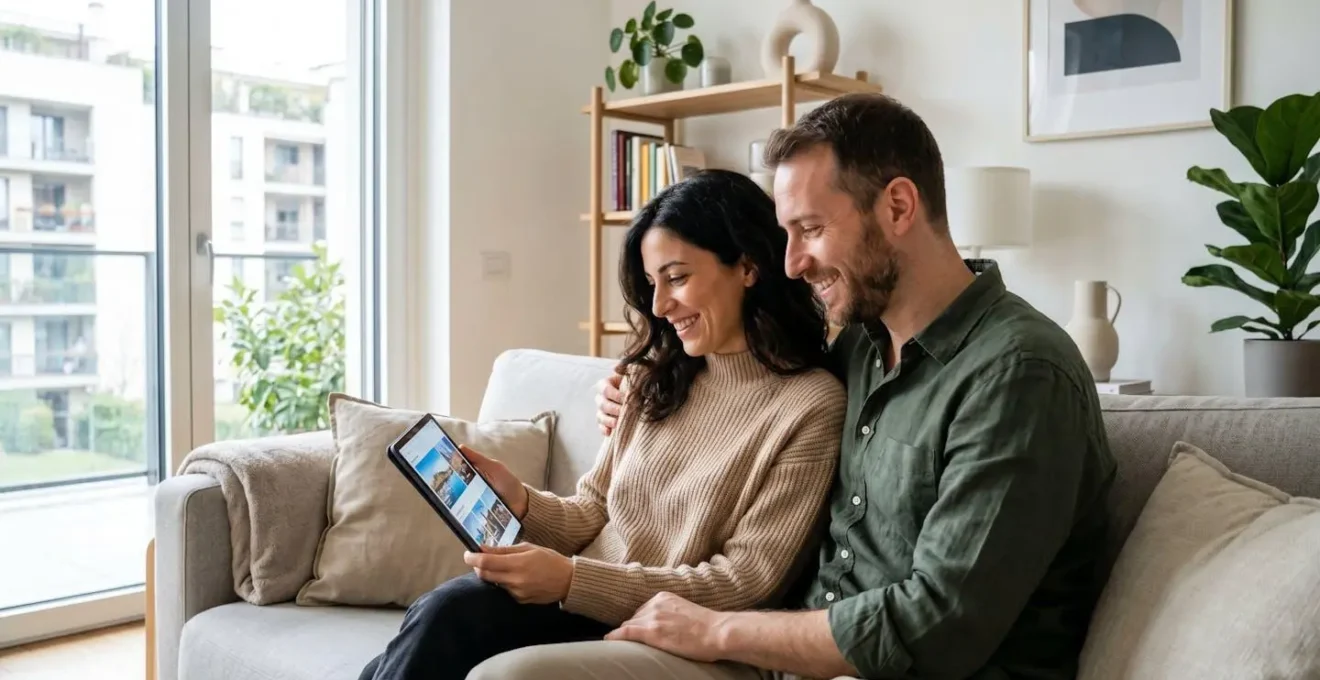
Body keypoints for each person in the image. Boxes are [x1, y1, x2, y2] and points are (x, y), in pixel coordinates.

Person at [468, 94, 1118, 679]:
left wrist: (720, 627)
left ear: (897, 206)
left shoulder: (1019, 374)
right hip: (779, 657)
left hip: (887, 668)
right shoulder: (859, 347)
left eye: (809, 230)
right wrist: (632, 393)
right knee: (463, 616)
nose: (790, 263)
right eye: (785, 235)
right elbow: (744, 390)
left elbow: (939, 624)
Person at [358, 169, 847, 680]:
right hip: (584, 603)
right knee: (435, 620)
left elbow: (745, 581)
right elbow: (593, 511)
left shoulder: (809, 406)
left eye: (677, 278)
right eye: (653, 283)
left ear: (748, 266)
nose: (659, 306)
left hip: (662, 628)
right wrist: (520, 500)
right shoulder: (656, 378)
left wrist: (572, 581)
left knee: (451, 614)